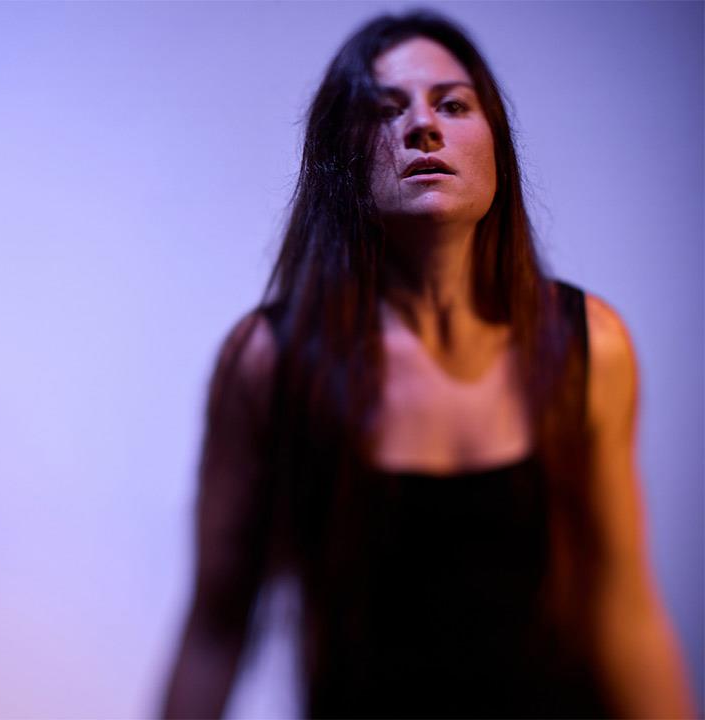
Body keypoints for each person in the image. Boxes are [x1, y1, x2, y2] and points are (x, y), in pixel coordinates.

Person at [160, 11, 697, 719]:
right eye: (387, 109)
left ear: (497, 145)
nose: (423, 126)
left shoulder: (588, 346)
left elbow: (625, 612)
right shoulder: (269, 363)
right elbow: (215, 628)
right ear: (340, 154)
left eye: (453, 104)